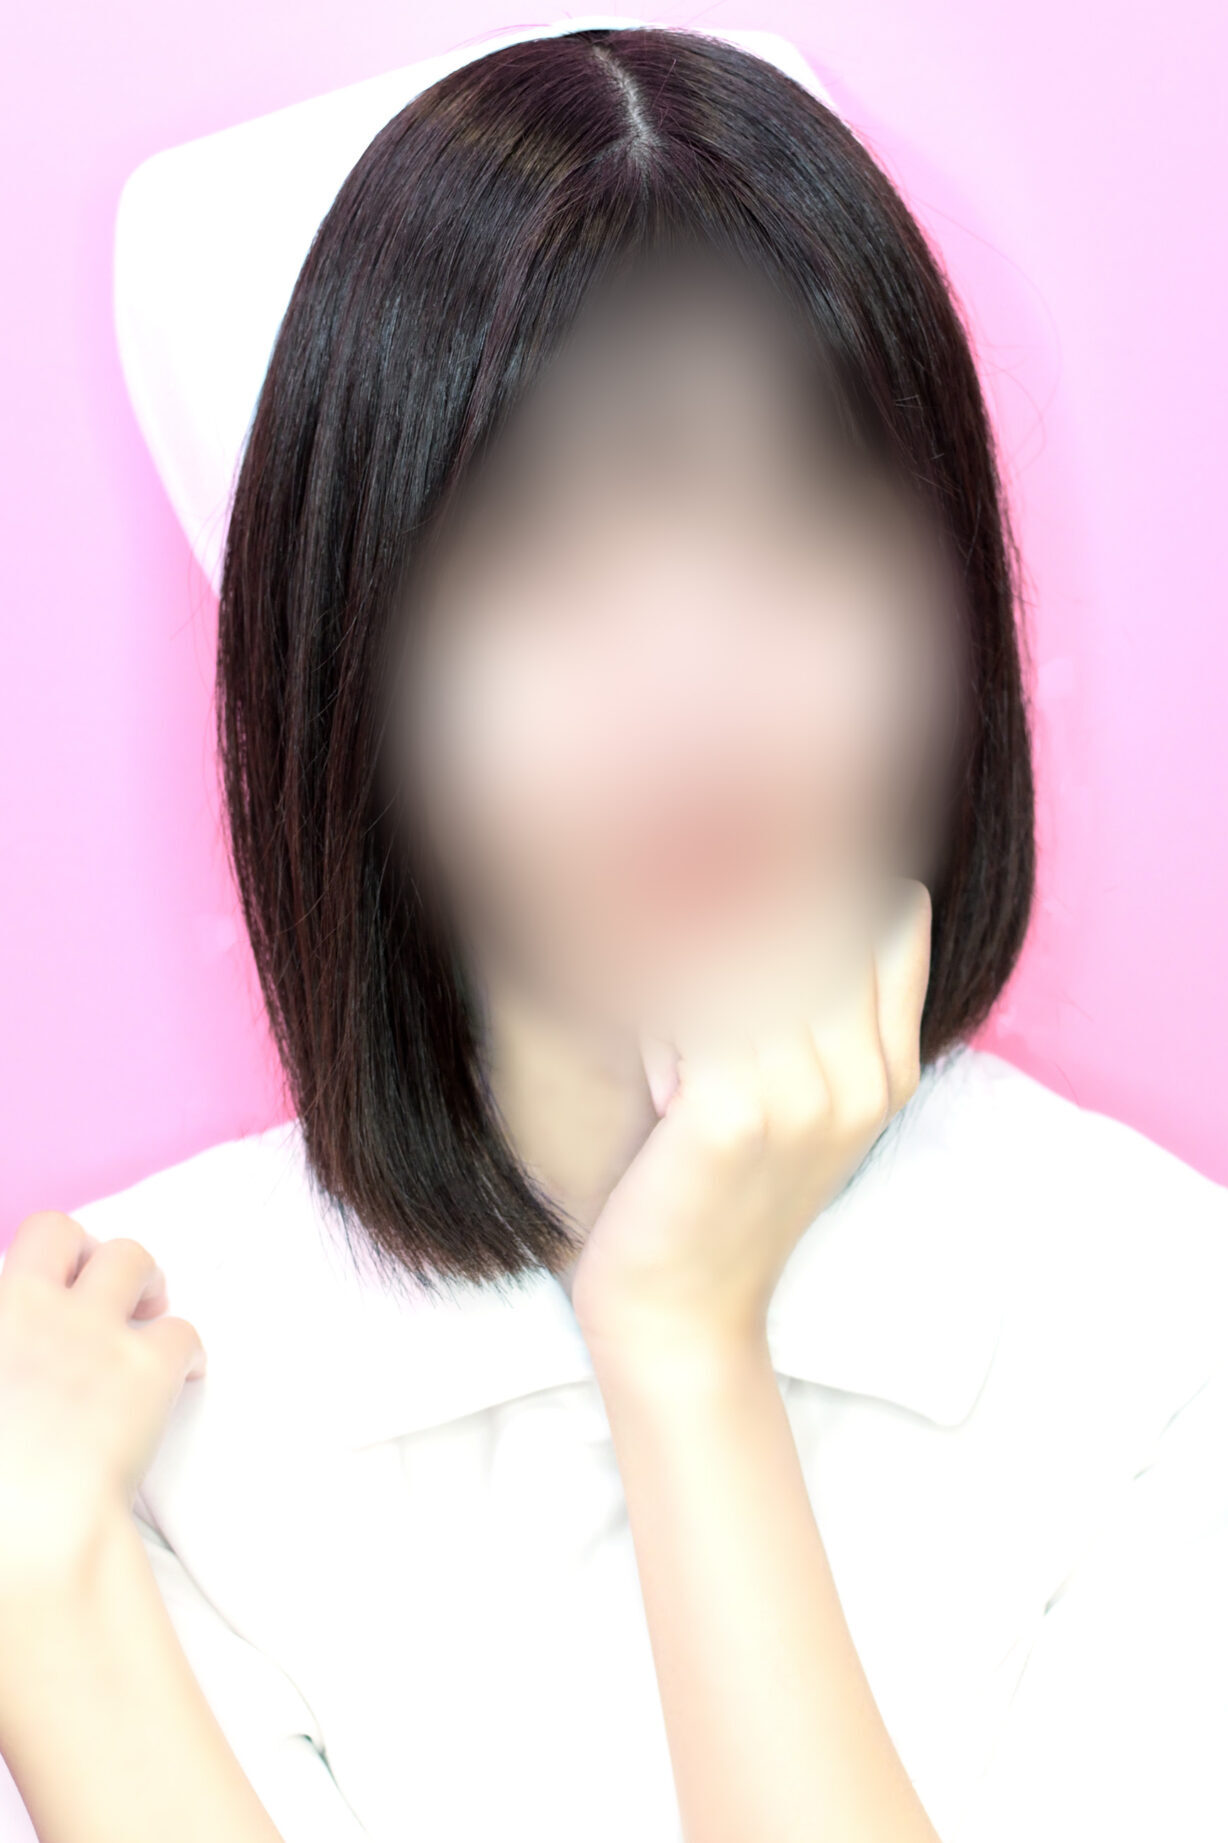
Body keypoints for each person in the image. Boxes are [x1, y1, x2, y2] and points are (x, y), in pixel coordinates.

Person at [1, 22, 1225, 1843]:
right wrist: (46, 1587)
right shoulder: (125, 1389)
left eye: (805, 523)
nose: (690, 687)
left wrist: (683, 1342)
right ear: (345, 676)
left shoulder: (1155, 1322)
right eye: (532, 552)